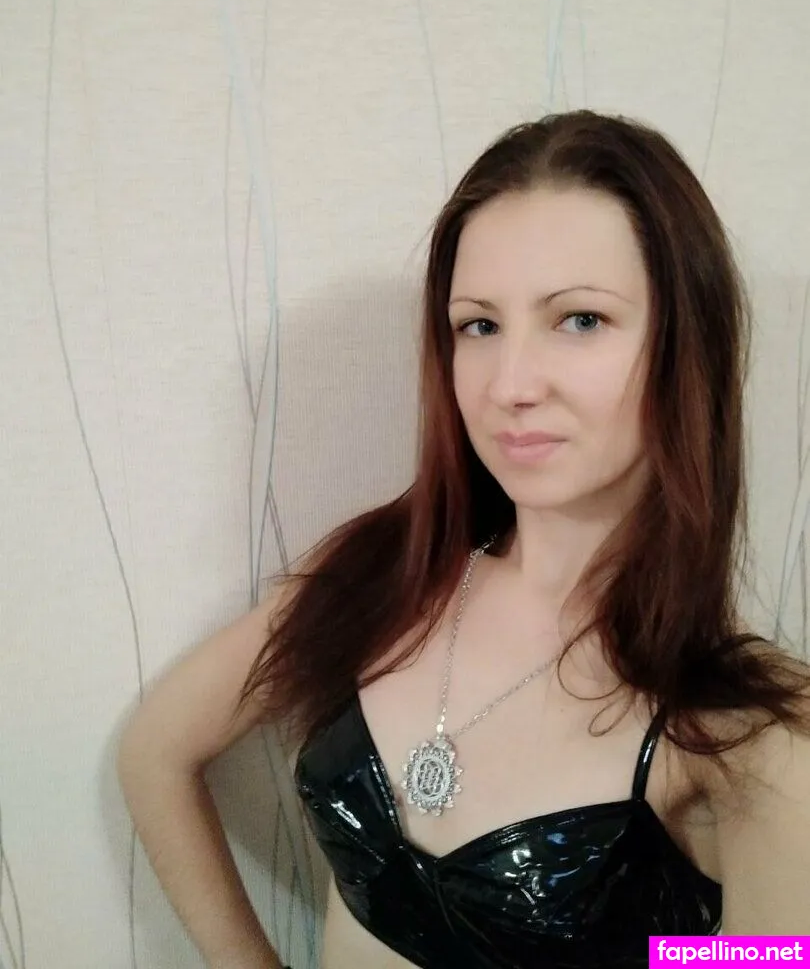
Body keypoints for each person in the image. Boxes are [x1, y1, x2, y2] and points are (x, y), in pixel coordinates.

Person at [117, 109, 810, 969]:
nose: (510, 384)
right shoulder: (382, 572)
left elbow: (765, 957)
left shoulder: (754, 735)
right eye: (479, 325)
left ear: (686, 346)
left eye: (581, 319)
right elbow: (155, 752)